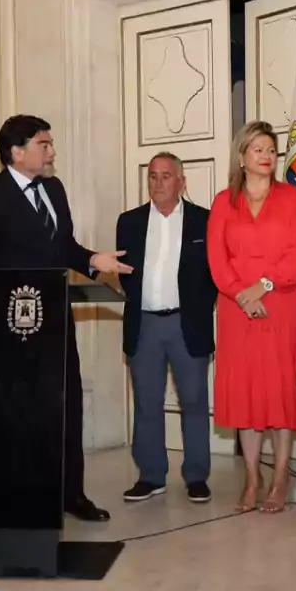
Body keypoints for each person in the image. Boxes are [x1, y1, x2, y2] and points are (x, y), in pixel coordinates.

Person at [0, 115, 132, 523]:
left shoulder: (54, 189)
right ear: (17, 152)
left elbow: (63, 248)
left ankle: (71, 493)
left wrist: (93, 261)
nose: (51, 152)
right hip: (10, 330)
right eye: (44, 144)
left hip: (55, 320)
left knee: (64, 407)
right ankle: (20, 500)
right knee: (20, 415)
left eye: (50, 144)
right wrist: (17, 289)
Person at [207, 120, 296, 513]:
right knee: (246, 392)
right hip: (238, 309)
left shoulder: (291, 199)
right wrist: (240, 293)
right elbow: (217, 258)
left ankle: (281, 474)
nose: (267, 156)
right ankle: (252, 477)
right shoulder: (224, 201)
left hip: (282, 302)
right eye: (258, 149)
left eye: (271, 150)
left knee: (280, 389)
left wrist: (265, 286)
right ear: (241, 157)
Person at [115, 152, 217, 504]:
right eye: (153, 177)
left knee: (193, 400)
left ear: (181, 181)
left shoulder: (205, 221)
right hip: (144, 324)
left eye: (166, 177)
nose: (158, 184)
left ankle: (196, 476)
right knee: (146, 402)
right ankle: (150, 475)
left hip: (186, 324)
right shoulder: (128, 222)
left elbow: (214, 274)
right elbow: (126, 273)